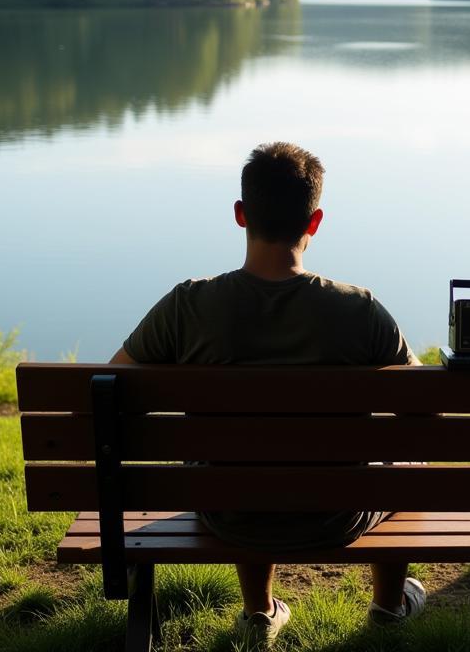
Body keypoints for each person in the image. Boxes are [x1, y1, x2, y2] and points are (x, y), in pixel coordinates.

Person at [110, 141, 426, 643]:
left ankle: (260, 611)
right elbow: (422, 408)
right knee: (401, 464)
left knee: (230, 464)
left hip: (227, 511)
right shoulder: (360, 310)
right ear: (315, 221)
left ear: (240, 214)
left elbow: (113, 387)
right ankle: (388, 607)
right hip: (335, 513)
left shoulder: (188, 305)